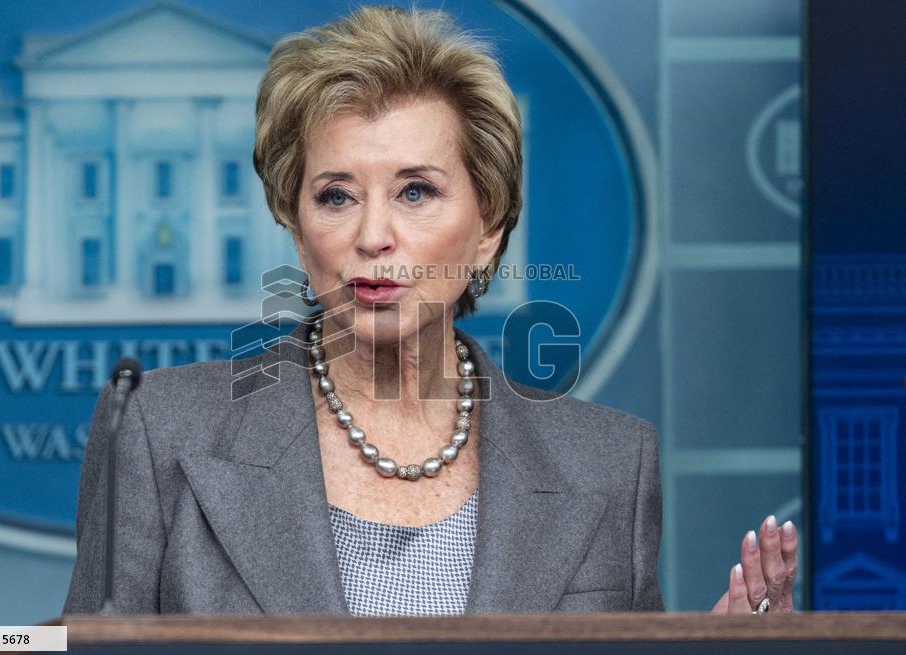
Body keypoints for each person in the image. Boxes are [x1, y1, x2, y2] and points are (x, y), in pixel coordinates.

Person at [63, 5, 798, 616]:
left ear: (489, 231)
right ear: (294, 222)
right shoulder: (158, 432)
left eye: (416, 191)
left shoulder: (610, 465)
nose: (373, 235)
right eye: (336, 195)